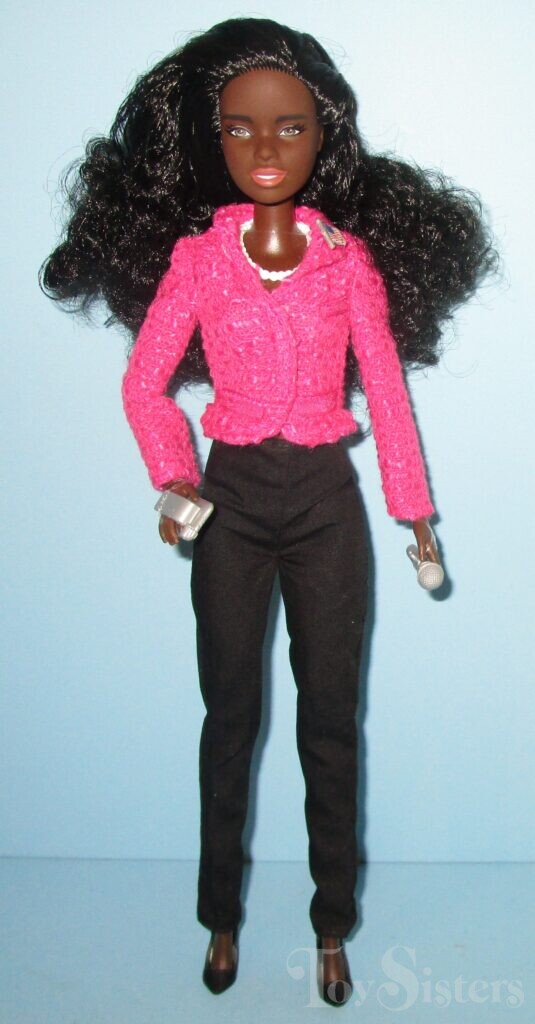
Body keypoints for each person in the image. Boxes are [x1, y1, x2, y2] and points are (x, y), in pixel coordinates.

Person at [40, 16, 496, 1006]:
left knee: (331, 722)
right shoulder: (200, 261)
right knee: (229, 718)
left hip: (327, 503)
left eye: (289, 127)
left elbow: (386, 387)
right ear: (211, 139)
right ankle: (221, 918)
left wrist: (412, 511)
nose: (264, 147)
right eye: (240, 127)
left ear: (322, 136)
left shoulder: (346, 263)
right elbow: (144, 384)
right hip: (233, 501)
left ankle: (331, 925)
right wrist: (175, 477)